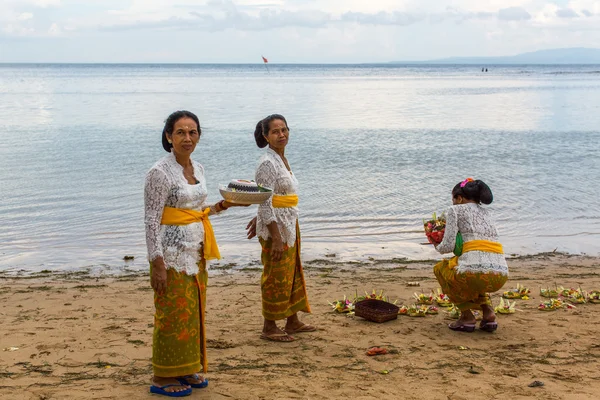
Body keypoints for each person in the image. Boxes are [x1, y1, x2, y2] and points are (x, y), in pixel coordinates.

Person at [145, 110, 247, 396]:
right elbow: (151, 220)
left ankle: (186, 367)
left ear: (198, 135)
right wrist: (157, 263)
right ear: (168, 137)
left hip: (197, 251)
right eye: (180, 132)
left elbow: (197, 212)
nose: (187, 138)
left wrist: (225, 205)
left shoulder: (198, 168)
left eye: (192, 132)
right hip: (171, 253)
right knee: (170, 313)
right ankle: (163, 376)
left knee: (192, 312)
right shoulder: (159, 173)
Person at [246, 114, 315, 342]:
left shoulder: (281, 159)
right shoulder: (267, 163)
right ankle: (269, 326)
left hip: (289, 222)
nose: (281, 134)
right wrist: (274, 236)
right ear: (266, 136)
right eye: (275, 131)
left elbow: (275, 196)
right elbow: (264, 200)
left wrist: (260, 217)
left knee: (291, 272)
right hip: (276, 228)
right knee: (275, 274)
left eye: (284, 130)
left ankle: (292, 320)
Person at [431, 178, 508, 333]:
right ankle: (488, 313)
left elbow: (447, 246)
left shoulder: (455, 210)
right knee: (476, 269)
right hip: (500, 274)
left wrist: (435, 242)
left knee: (441, 269)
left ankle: (467, 316)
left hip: (474, 274)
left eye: (453, 199)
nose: (452, 203)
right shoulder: (487, 213)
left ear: (459, 198)